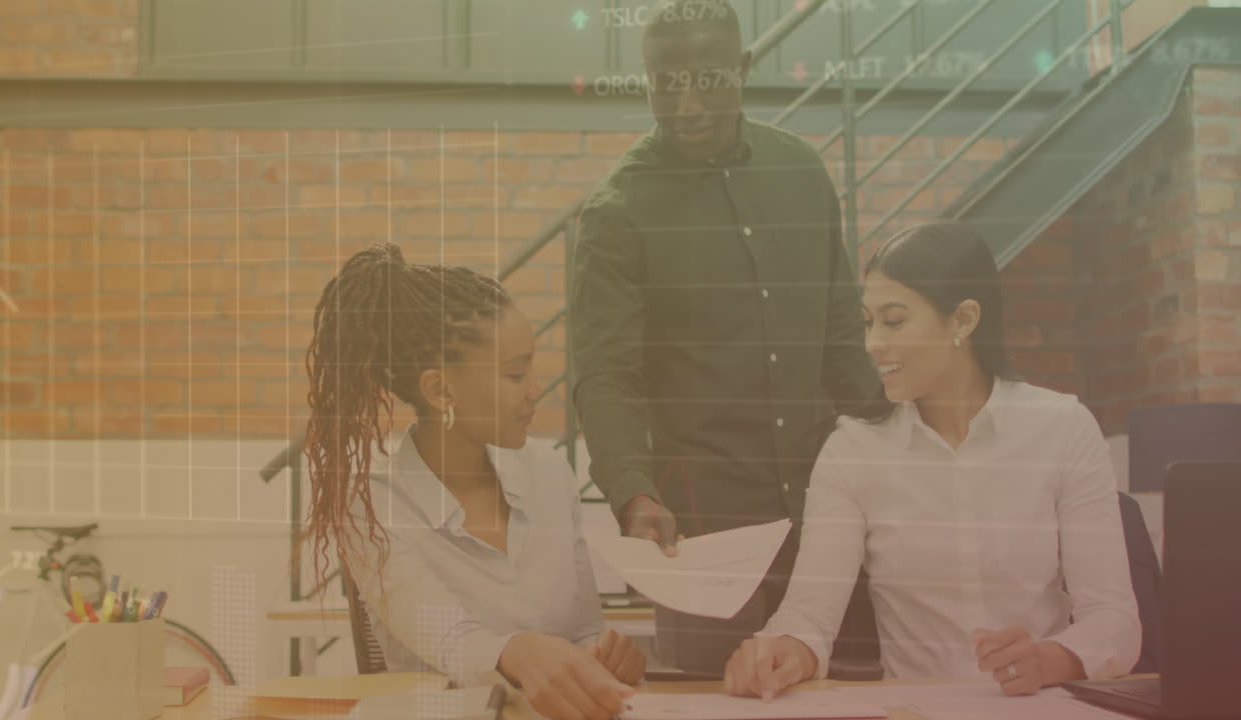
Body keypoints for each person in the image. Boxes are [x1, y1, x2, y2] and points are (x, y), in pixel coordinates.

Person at [569, 0, 885, 675]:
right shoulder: (617, 212)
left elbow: (840, 339)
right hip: (702, 533)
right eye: (664, 82)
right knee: (708, 703)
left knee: (849, 696)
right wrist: (633, 490)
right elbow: (606, 376)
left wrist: (900, 454)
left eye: (707, 79)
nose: (685, 105)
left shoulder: (801, 174)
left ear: (743, 69)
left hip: (828, 514)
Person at [723, 222, 1142, 698]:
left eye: (894, 320)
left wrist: (1049, 659)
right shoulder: (853, 451)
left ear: (963, 320)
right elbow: (810, 615)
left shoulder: (1063, 428)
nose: (872, 343)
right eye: (868, 321)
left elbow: (1115, 621)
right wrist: (781, 652)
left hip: (1036, 707)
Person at [302, 243, 644, 720]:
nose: (534, 388)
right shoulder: (370, 507)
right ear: (441, 390)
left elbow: (581, 631)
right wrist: (521, 652)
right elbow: (452, 641)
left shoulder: (550, 475)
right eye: (514, 373)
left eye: (530, 367)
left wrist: (604, 657)